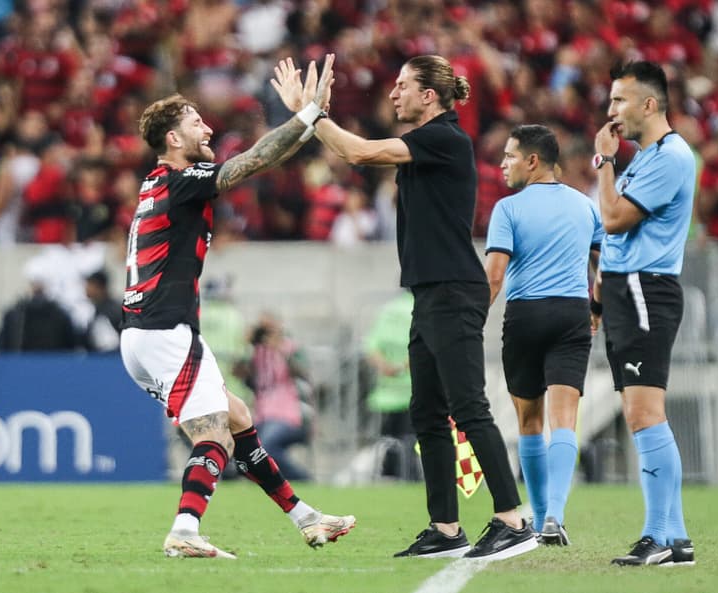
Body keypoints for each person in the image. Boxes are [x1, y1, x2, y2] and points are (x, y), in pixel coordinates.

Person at [271, 54, 536, 561]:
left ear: (429, 96)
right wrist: (312, 118)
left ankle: (512, 519)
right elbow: (353, 151)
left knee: (468, 408)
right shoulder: (429, 143)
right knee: (428, 414)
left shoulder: (444, 138)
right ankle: (446, 528)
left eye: (402, 86)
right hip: (429, 292)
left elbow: (360, 153)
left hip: (452, 290)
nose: (392, 95)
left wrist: (312, 114)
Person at [119, 54, 355, 560]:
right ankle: (184, 530)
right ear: (172, 140)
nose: (207, 126)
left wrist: (308, 119)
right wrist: (309, 115)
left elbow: (259, 158)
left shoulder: (158, 183)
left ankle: (307, 519)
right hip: (165, 330)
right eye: (194, 121)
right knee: (214, 438)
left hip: (141, 334)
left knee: (238, 417)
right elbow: (252, 161)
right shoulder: (182, 182)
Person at [592, 61, 696, 566]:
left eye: (618, 101)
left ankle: (657, 535)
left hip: (643, 290)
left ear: (648, 105)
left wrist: (603, 161)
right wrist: (598, 293)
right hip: (626, 290)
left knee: (643, 413)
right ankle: (675, 538)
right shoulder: (648, 156)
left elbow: (613, 220)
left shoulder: (670, 157)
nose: (610, 111)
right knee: (643, 414)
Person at [484, 124, 604, 546]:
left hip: (526, 314)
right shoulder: (585, 207)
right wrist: (597, 305)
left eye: (510, 156)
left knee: (529, 422)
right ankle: (555, 516)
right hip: (572, 313)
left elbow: (494, 278)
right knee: (564, 420)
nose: (503, 165)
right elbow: (605, 260)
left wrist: (469, 326)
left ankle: (536, 518)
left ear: (533, 161)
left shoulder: (508, 209)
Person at [241, 314, 314, 482]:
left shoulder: (291, 349)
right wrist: (246, 346)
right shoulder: (256, 352)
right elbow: (240, 373)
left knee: (265, 447)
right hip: (263, 415)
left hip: (292, 416)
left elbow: (304, 373)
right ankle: (267, 484)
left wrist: (280, 349)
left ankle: (302, 479)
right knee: (243, 449)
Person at [363, 289, 418, 480]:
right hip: (413, 390)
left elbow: (371, 347)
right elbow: (424, 347)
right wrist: (403, 367)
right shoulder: (420, 308)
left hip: (386, 393)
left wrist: (387, 368)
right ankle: (409, 476)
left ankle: (389, 473)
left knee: (389, 440)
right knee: (411, 442)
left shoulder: (388, 310)